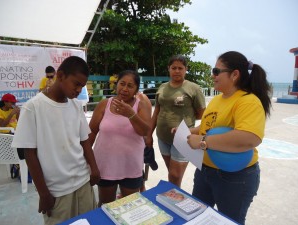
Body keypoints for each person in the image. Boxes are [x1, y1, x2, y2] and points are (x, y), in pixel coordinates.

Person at [11, 56, 100, 225]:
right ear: (60, 75)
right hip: (57, 191)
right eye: (76, 83)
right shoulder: (33, 107)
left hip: (83, 182)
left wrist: (94, 168)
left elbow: (84, 141)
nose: (79, 90)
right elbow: (29, 153)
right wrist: (44, 193)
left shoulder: (75, 106)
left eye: (82, 86)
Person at [187, 51, 272, 225]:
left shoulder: (248, 101)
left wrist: (203, 143)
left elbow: (249, 138)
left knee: (230, 222)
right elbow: (209, 127)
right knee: (198, 218)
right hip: (205, 171)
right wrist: (190, 131)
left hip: (235, 177)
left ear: (234, 74)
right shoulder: (218, 100)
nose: (213, 75)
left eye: (216, 71)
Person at [89, 70, 151, 207]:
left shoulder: (140, 106)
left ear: (136, 89)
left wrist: (131, 114)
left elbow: (145, 131)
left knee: (130, 207)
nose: (125, 89)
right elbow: (91, 132)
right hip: (105, 165)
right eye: (122, 84)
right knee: (106, 206)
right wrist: (88, 161)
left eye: (130, 86)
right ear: (116, 85)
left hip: (131, 166)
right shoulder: (104, 104)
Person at [147, 55, 206, 187]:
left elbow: (202, 114)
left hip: (183, 138)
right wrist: (149, 134)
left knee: (175, 175)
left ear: (186, 69)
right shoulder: (162, 87)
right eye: (174, 68)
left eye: (180, 68)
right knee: (171, 173)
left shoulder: (193, 88)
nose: (177, 71)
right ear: (169, 69)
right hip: (162, 137)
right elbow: (156, 111)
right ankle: (173, 198)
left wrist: (185, 121)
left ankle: (174, 199)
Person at [0, 93, 24, 161]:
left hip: (15, 132)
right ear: (5, 102)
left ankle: (24, 158)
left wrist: (18, 113)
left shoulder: (12, 109)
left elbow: (19, 122)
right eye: (12, 103)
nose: (14, 104)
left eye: (15, 103)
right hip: (6, 134)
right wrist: (12, 113)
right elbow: (2, 125)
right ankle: (21, 158)